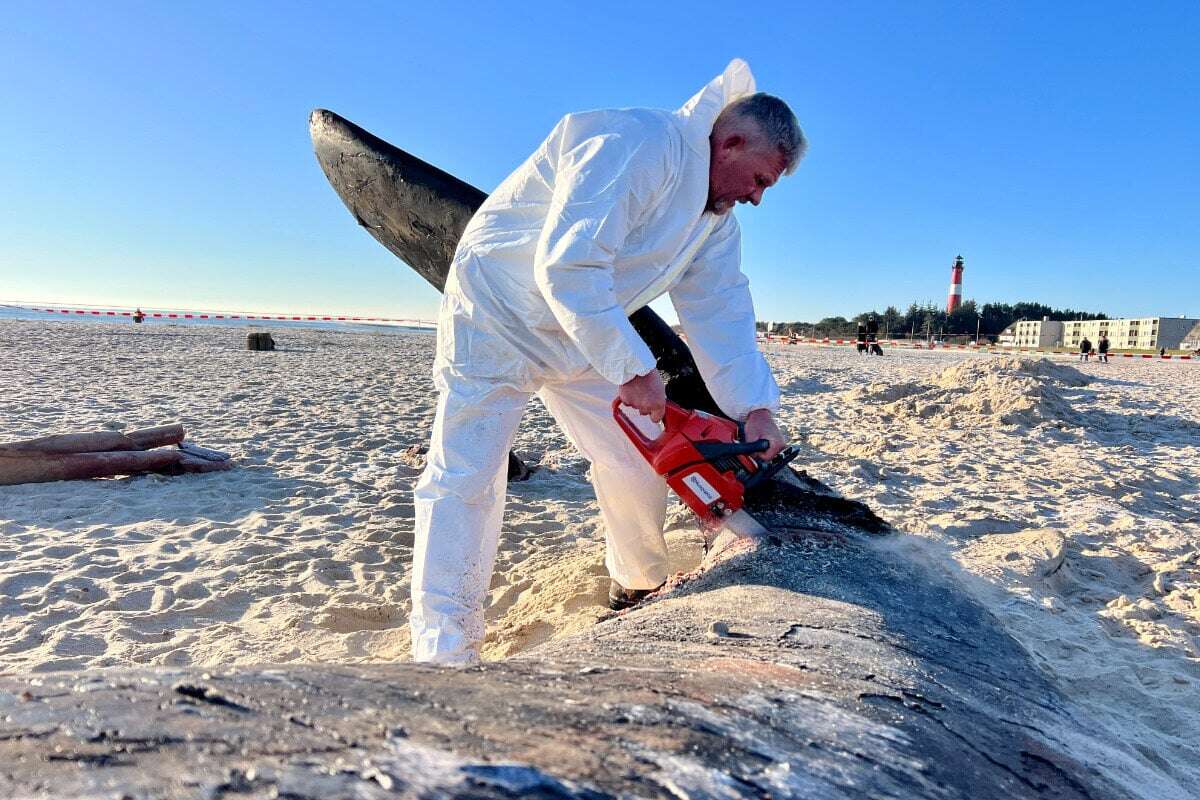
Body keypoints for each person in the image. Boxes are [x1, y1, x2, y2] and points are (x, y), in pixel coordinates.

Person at [410, 60, 806, 665]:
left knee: (635, 456)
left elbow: (720, 313)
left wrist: (756, 409)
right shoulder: (638, 142)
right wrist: (632, 366)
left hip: (587, 329)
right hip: (498, 314)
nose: (755, 197)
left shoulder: (714, 224)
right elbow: (568, 263)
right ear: (728, 142)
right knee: (467, 475)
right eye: (758, 180)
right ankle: (443, 647)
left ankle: (637, 582)